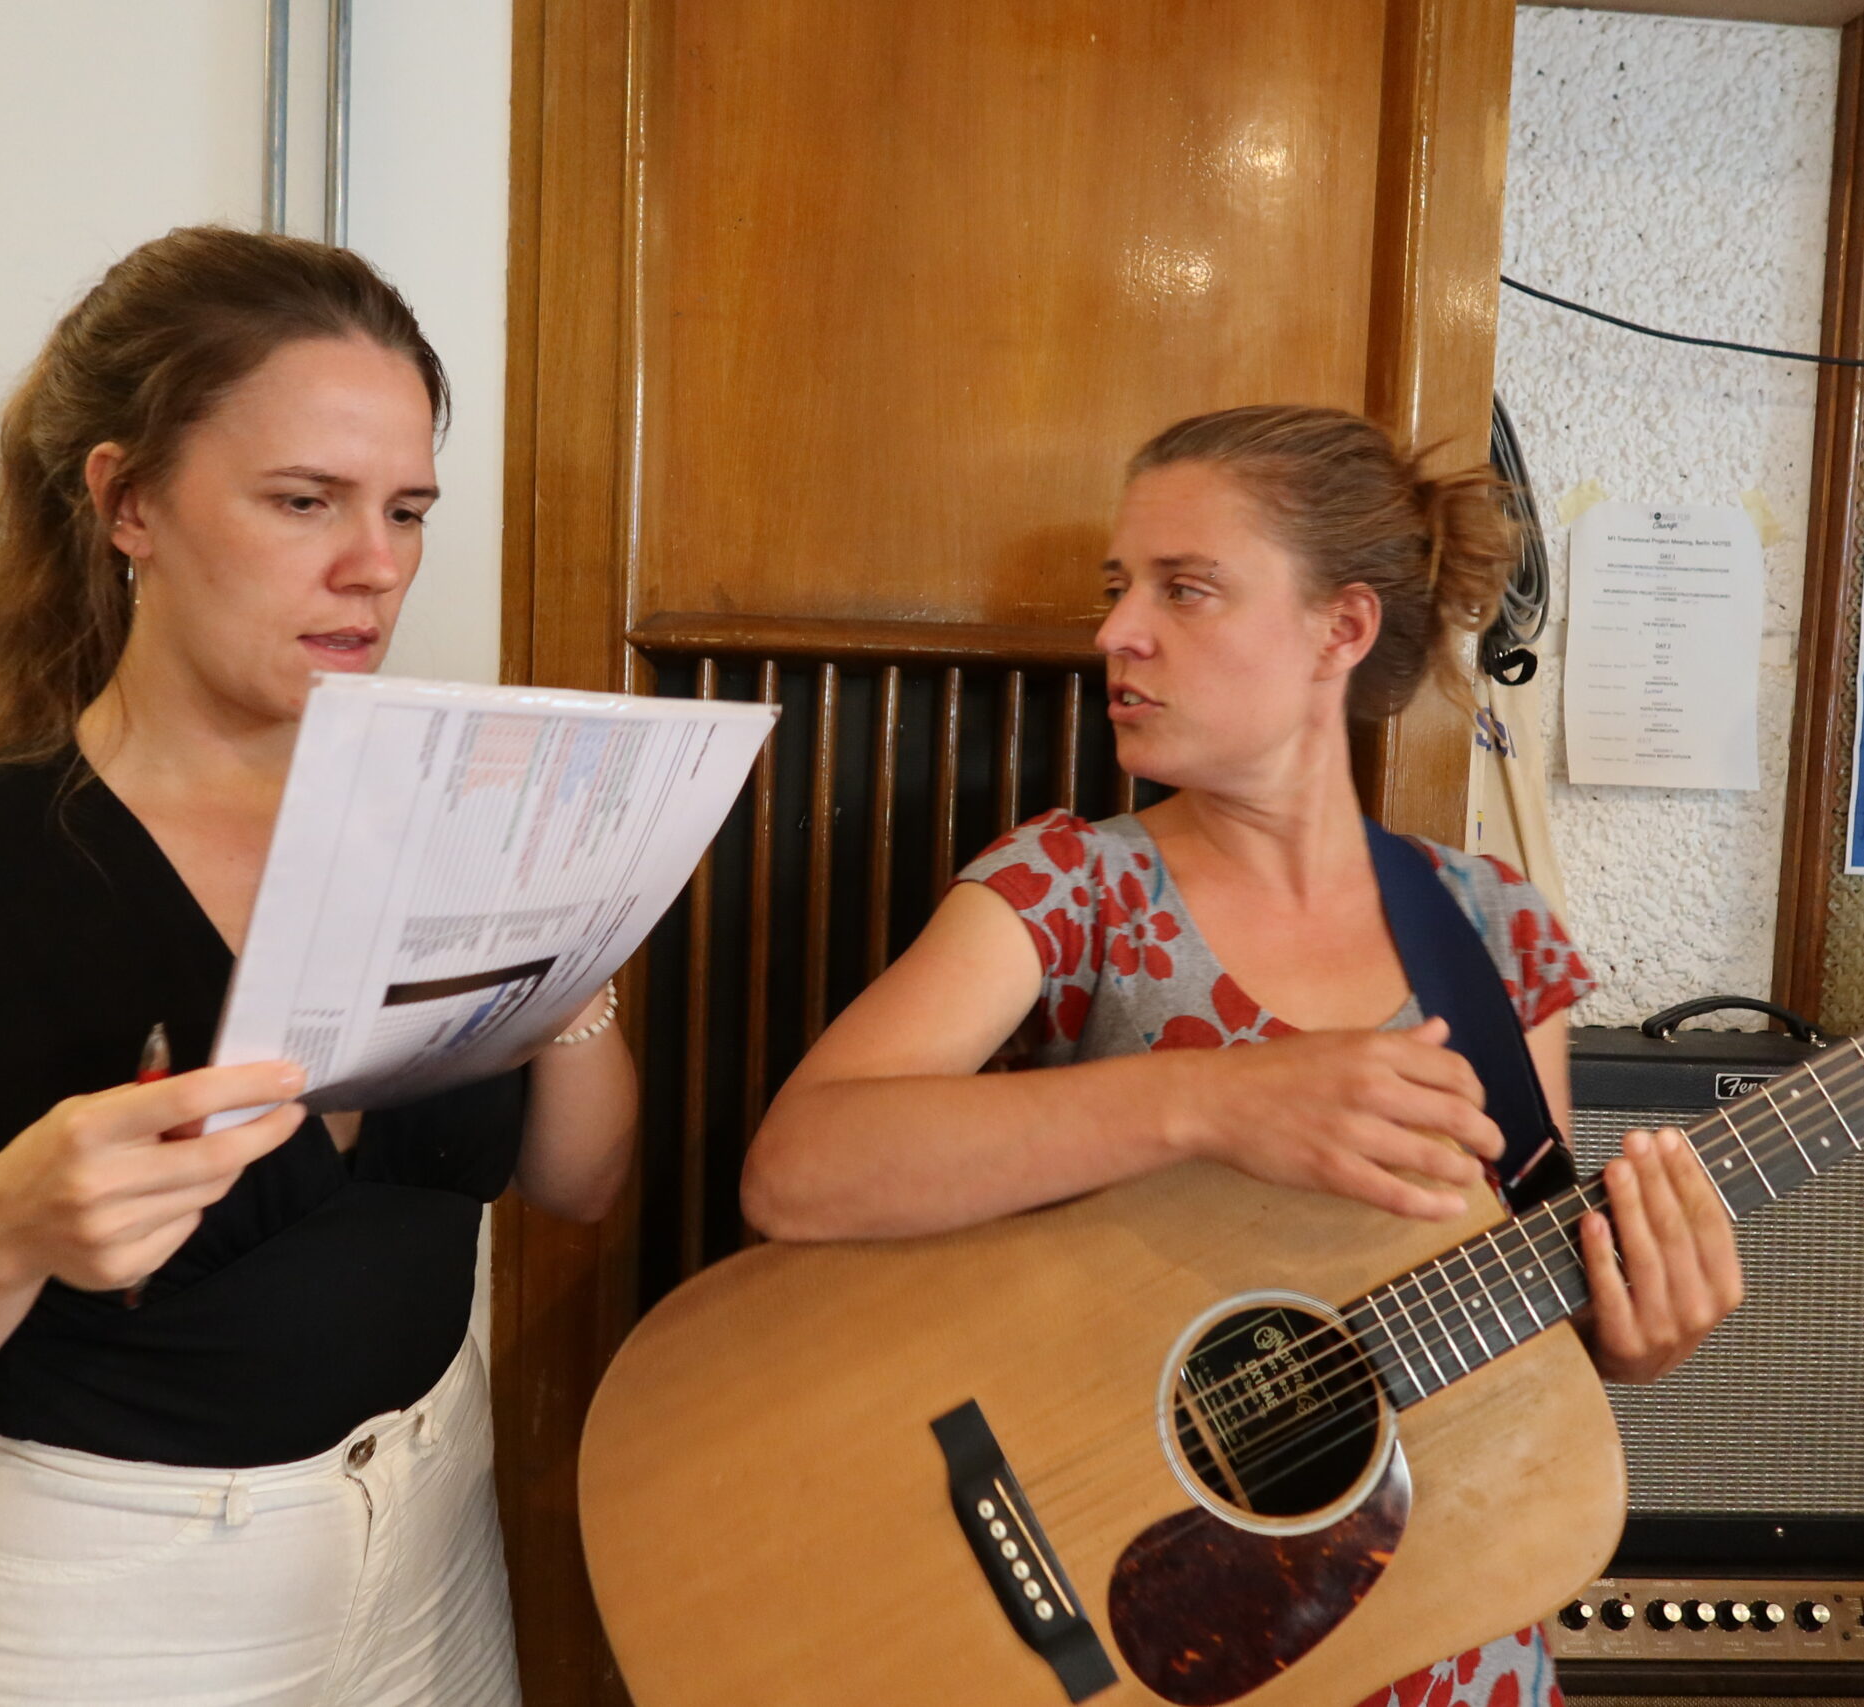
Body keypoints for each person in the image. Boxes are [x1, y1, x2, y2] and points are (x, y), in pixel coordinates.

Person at [0, 227, 638, 1707]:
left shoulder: (443, 812)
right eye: (304, 500)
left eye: (407, 508)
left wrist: (574, 943)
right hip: (111, 1605)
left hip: (430, 1541)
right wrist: (4, 1224)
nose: (376, 565)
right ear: (127, 498)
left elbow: (581, 1180)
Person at [740, 404, 1744, 1707]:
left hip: (1443, 1628)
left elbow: (1524, 1285)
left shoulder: (1492, 923)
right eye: (1120, 589)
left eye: (1187, 588)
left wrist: (1629, 1339)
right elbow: (800, 1169)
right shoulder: (1071, 885)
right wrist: (1205, 1096)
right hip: (1148, 1632)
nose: (1116, 632)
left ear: (1343, 627)